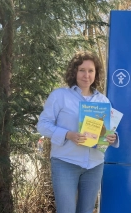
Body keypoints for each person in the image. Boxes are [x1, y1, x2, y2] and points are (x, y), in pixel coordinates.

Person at [37, 50, 119, 213]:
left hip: (94, 165)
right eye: (82, 70)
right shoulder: (60, 96)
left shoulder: (103, 101)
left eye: (91, 71)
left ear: (96, 73)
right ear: (74, 71)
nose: (86, 75)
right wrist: (68, 134)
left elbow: (109, 131)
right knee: (66, 210)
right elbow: (42, 125)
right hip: (65, 162)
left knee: (86, 210)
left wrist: (112, 137)